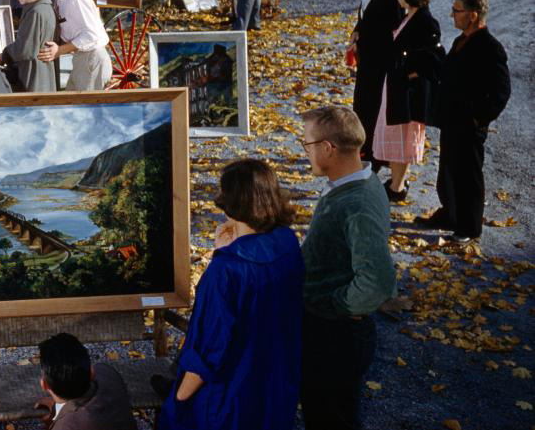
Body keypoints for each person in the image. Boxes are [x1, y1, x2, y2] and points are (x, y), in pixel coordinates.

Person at [156, 159, 302, 430]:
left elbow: (209, 351)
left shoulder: (226, 271)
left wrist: (178, 399)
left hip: (230, 397)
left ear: (230, 203)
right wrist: (223, 250)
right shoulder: (288, 242)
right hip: (275, 383)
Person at [299, 106, 396, 430]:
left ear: (328, 147)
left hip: (335, 338)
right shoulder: (356, 182)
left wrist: (337, 305)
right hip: (331, 333)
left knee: (330, 418)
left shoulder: (357, 204)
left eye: (307, 145)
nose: (305, 152)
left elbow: (378, 280)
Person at [417, 0, 511, 243]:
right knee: (448, 169)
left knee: (468, 174)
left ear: (473, 15)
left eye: (457, 11)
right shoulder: (461, 41)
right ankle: (451, 214)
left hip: (468, 124)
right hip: (452, 120)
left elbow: (501, 91)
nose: (452, 15)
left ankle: (469, 227)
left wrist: (479, 119)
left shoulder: (490, 48)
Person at [372, 0, 443, 201]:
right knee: (394, 134)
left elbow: (434, 58)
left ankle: (397, 186)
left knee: (402, 137)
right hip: (396, 87)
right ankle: (396, 182)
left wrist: (411, 73)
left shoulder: (426, 22)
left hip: (409, 92)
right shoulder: (408, 16)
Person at [347, 0, 404, 168]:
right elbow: (364, 18)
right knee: (362, 102)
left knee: (372, 104)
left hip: (379, 59)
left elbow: (392, 29)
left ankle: (372, 152)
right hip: (367, 57)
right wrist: (356, 32)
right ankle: (363, 146)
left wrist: (366, 39)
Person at [31, 0, 112, 90]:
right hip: (83, 59)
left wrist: (59, 51)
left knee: (84, 110)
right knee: (70, 105)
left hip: (91, 59)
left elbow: (92, 35)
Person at [35, 332, 137, 430]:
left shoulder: (65, 426)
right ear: (92, 372)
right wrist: (59, 411)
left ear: (44, 385)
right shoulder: (107, 374)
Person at [0, 0, 57, 92]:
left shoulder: (35, 12)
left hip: (33, 79)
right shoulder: (45, 8)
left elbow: (24, 50)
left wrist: (5, 54)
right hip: (43, 76)